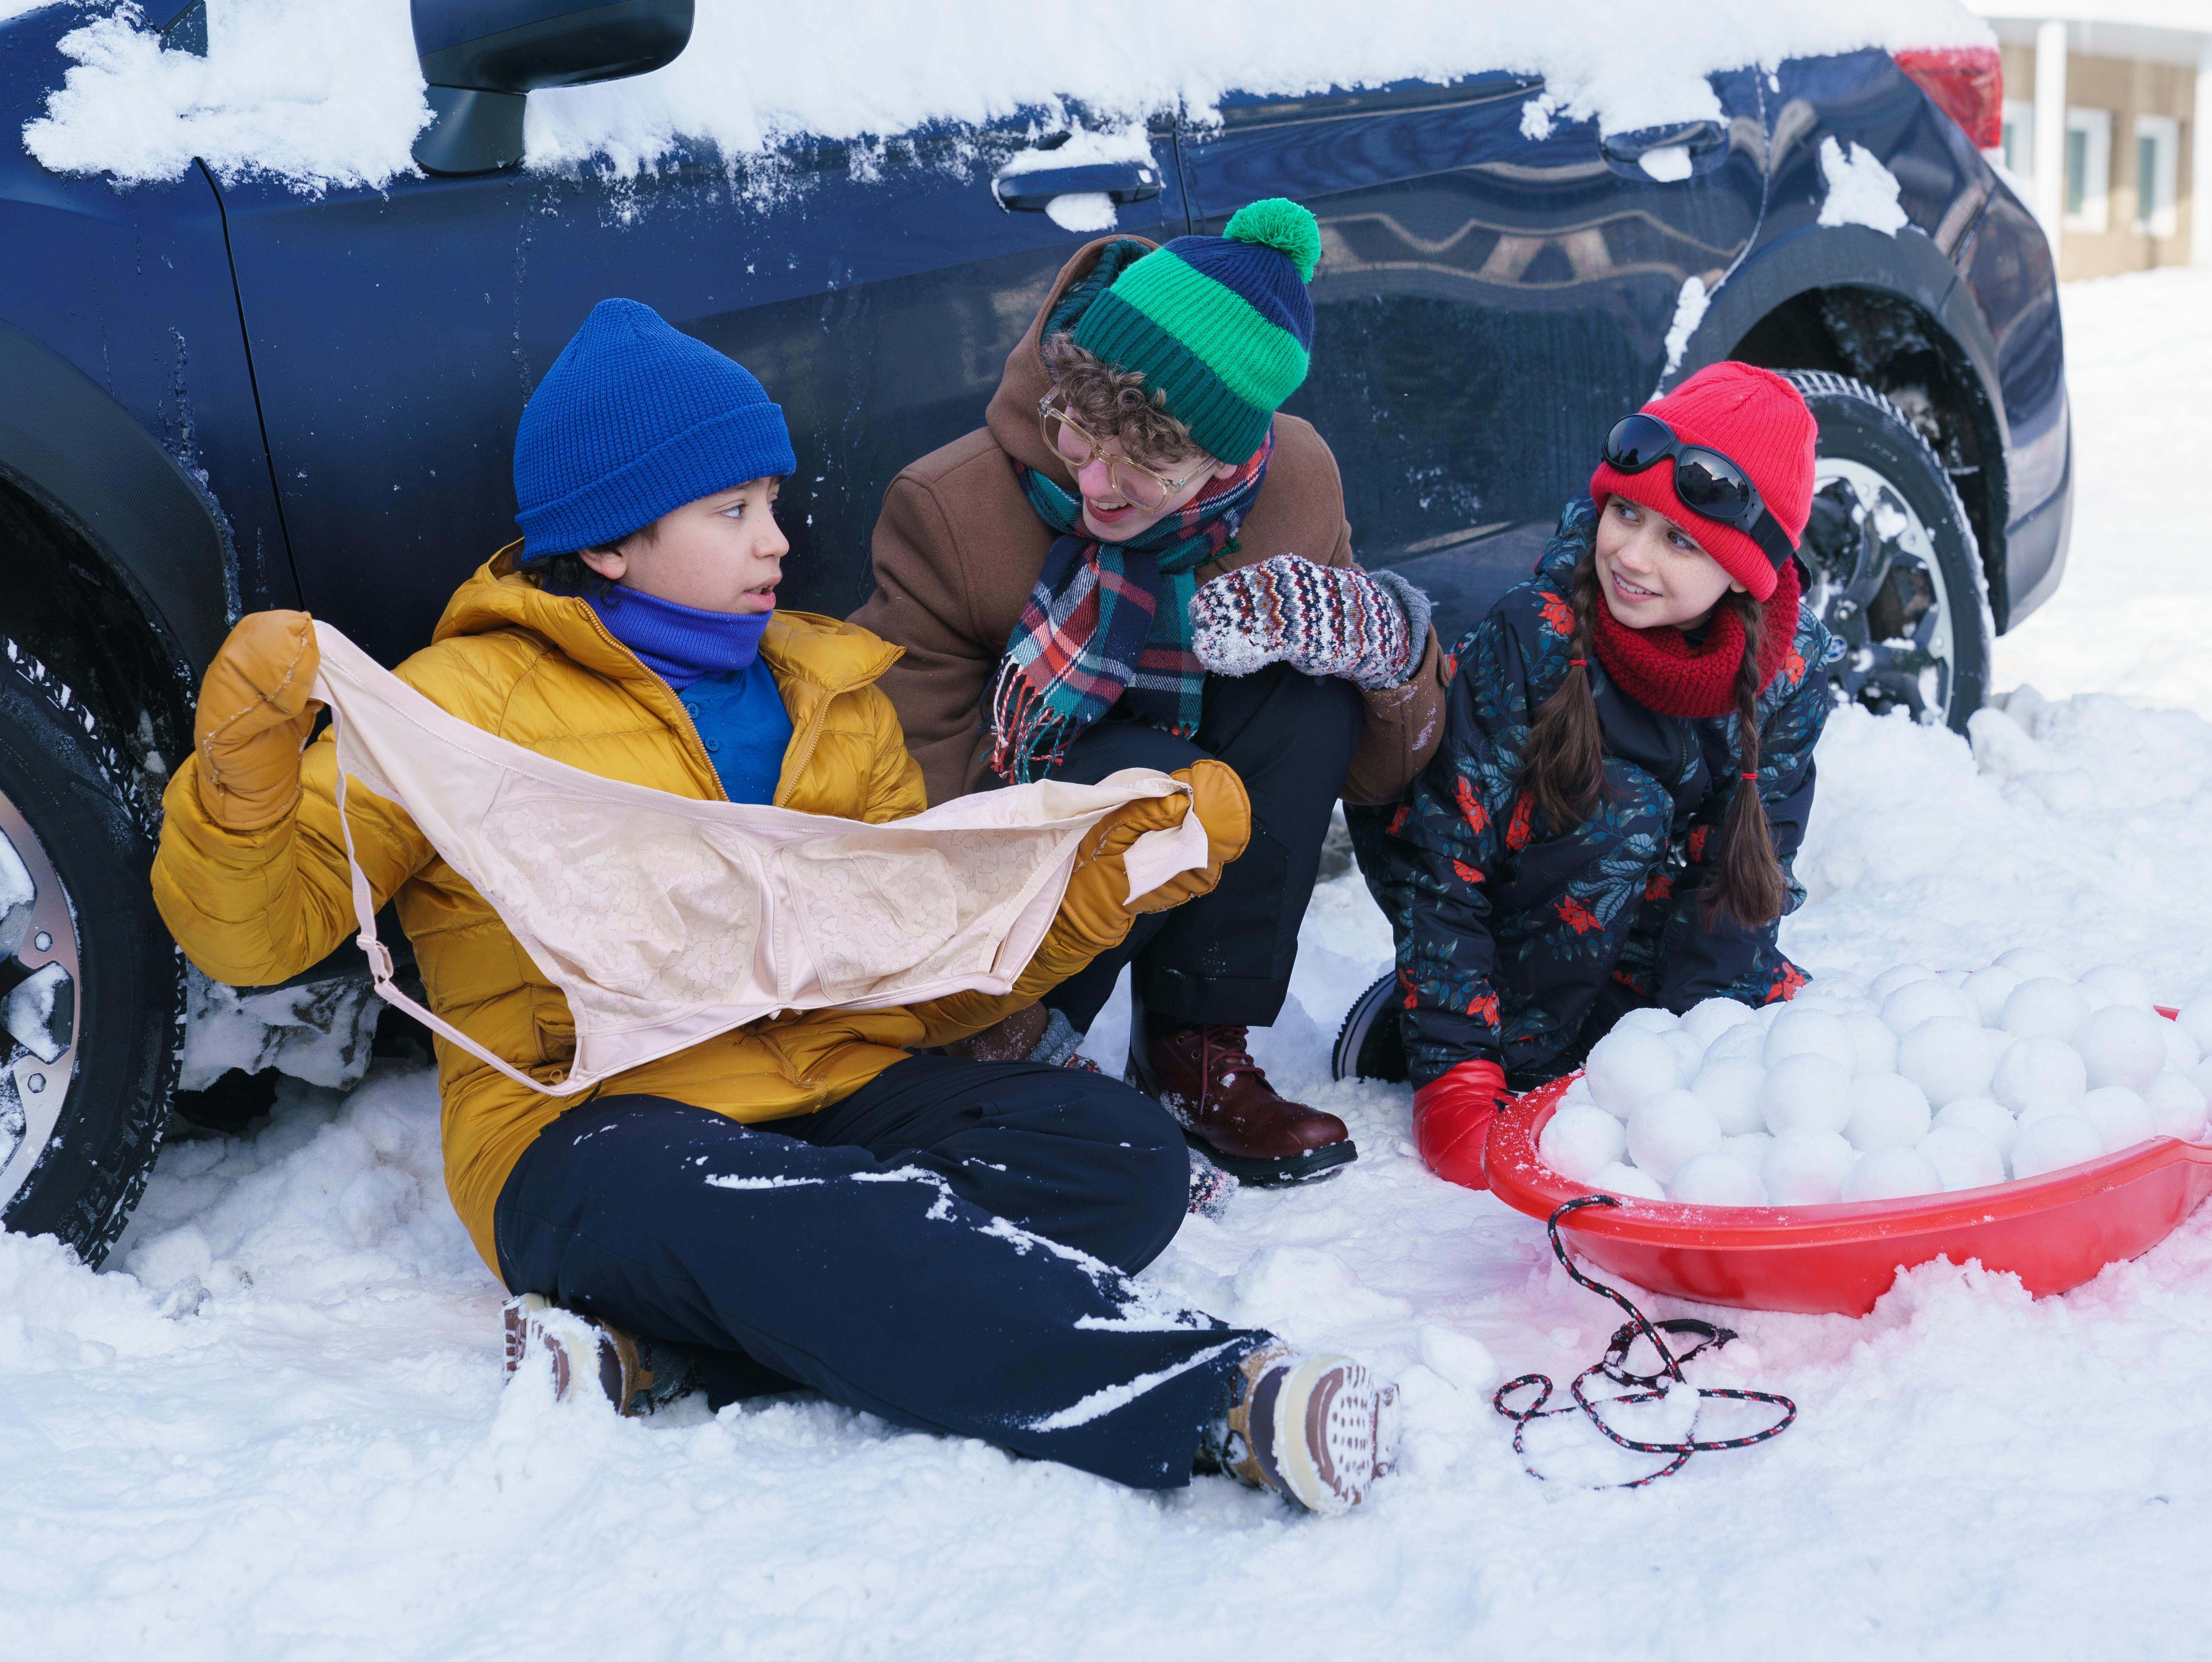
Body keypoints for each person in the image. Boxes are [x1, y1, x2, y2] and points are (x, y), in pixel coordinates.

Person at [150, 298, 1391, 1511]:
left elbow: (920, 972)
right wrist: (245, 787)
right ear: (609, 542)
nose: (777, 543)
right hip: (597, 1133)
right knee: (794, 1214)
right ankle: (1205, 1397)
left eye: (775, 505)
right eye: (731, 510)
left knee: (1118, 1156)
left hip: (835, 1088)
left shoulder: (828, 696)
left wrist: (1094, 890)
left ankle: (675, 1354)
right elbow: (256, 937)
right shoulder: (464, 708)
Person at [851, 199, 1446, 1188]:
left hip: (1196, 808)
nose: (1099, 479)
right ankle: (1035, 1041)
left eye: (1151, 455)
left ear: (1229, 453)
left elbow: (1381, 773)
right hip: (1015, 871)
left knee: (1307, 699)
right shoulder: (950, 507)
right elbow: (903, 785)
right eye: (1081, 430)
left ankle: (1192, 1047)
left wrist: (1376, 640)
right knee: (1158, 777)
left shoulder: (1297, 481)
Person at [1352, 363, 1841, 1187]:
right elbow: (1446, 862)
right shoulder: (1534, 635)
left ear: (1744, 572)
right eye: (1626, 513)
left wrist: (1705, 1063)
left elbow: (1740, 887)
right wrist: (1455, 1069)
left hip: (1640, 950)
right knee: (1628, 811)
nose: (1633, 556)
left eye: (1681, 540)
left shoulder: (1785, 676)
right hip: (1514, 937)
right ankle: (1454, 1031)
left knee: (1811, 1044)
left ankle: (1625, 1039)